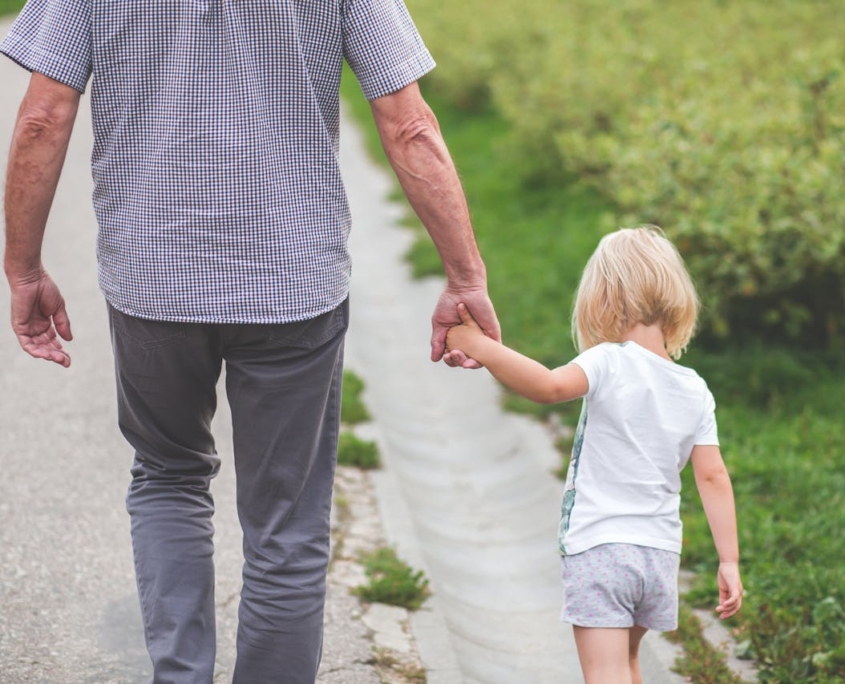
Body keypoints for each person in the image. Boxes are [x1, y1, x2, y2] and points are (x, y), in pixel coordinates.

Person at [2, 1, 499, 682]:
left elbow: (41, 116)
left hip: (154, 280)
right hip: (292, 284)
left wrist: (23, 268)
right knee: (287, 526)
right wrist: (464, 275)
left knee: (168, 478)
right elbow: (409, 124)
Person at [445, 226, 742, 684]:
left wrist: (481, 345)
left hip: (602, 549)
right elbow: (713, 478)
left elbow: (548, 386)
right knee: (627, 664)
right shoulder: (695, 389)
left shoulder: (608, 360)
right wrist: (729, 561)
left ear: (602, 299)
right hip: (659, 556)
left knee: (605, 673)